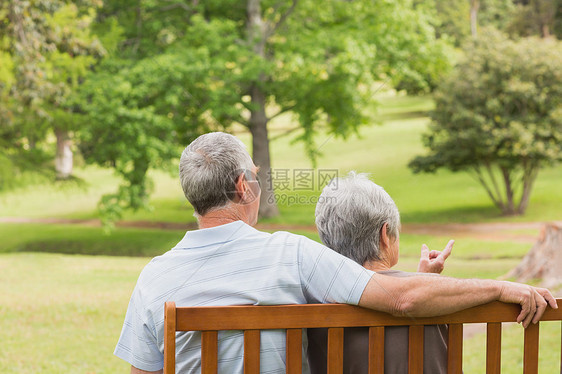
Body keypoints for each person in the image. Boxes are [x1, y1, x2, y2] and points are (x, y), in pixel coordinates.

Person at [114, 132, 557, 374]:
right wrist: (501, 285)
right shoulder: (289, 253)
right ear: (243, 188)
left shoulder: (154, 277)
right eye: (256, 175)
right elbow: (400, 298)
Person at [308, 172, 452, 373]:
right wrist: (424, 281)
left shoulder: (314, 304)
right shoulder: (434, 300)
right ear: (385, 234)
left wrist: (422, 278)